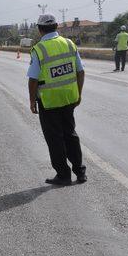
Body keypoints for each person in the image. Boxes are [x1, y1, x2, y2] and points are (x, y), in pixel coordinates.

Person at [27, 14, 87, 185]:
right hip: (69, 97)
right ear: (57, 26)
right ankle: (80, 172)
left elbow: (33, 79)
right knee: (70, 134)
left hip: (49, 101)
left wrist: (32, 101)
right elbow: (80, 71)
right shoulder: (69, 44)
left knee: (55, 138)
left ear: (39, 29)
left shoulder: (39, 49)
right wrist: (78, 93)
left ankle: (63, 175)